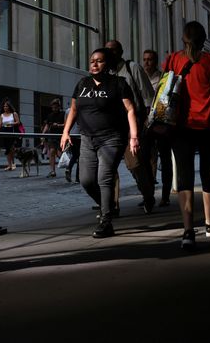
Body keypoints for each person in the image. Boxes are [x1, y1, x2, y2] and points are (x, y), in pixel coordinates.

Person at [163, 21, 210, 250]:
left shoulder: (173, 59)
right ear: (204, 39)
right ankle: (208, 223)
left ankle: (188, 231)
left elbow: (164, 88)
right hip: (209, 126)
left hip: (181, 127)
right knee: (208, 175)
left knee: (185, 178)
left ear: (183, 39)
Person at [60, 48, 140, 238]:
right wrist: (65, 132)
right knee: (86, 180)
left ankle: (106, 221)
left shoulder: (118, 83)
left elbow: (130, 109)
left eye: (99, 61)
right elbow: (73, 109)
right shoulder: (82, 84)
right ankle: (109, 205)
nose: (94, 64)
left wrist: (133, 136)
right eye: (92, 61)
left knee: (105, 177)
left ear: (108, 64)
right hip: (87, 138)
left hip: (112, 138)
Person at [105, 40, 156, 213]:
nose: (109, 53)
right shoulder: (105, 73)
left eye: (113, 50)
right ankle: (112, 205)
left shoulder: (131, 68)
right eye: (107, 50)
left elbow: (148, 96)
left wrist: (147, 123)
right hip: (112, 127)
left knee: (135, 165)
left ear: (120, 51)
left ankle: (148, 195)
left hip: (133, 124)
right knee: (109, 167)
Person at [143, 48, 173, 205]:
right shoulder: (140, 78)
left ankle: (165, 196)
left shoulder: (162, 78)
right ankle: (148, 195)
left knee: (165, 159)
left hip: (161, 123)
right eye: (145, 59)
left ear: (155, 61)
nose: (147, 62)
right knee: (145, 159)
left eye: (150, 59)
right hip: (146, 124)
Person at [41, 98, 65, 178]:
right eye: (53, 107)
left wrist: (58, 125)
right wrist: (43, 134)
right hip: (52, 136)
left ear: (59, 107)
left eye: (55, 107)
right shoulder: (50, 115)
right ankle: (52, 171)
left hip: (61, 136)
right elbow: (47, 125)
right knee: (51, 152)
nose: (54, 109)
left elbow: (66, 124)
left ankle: (68, 167)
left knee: (59, 153)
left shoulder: (63, 114)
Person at [0, 100, 21, 172]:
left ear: (9, 107)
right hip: (4, 131)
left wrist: (12, 123)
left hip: (12, 131)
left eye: (6, 106)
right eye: (4, 106)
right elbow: (0, 124)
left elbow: (18, 122)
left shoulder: (14, 114)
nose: (5, 107)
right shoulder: (2, 115)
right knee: (7, 149)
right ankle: (10, 165)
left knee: (11, 148)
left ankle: (12, 163)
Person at [63, 105, 80, 183]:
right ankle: (78, 178)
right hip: (80, 135)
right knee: (81, 157)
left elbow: (65, 123)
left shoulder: (67, 111)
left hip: (71, 135)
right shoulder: (81, 109)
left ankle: (68, 168)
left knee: (75, 155)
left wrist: (66, 135)